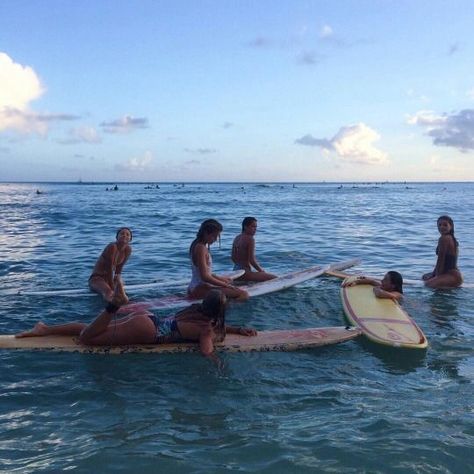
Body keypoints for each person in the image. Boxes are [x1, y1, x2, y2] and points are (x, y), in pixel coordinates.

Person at [16, 283, 257, 361]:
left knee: (94, 330)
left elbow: (213, 329)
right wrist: (218, 363)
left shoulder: (195, 311)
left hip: (148, 318)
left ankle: (45, 329)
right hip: (147, 332)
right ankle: (113, 306)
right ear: (220, 312)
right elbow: (206, 350)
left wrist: (236, 330)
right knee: (87, 340)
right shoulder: (206, 329)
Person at [188, 219, 248, 301]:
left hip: (196, 287)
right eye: (214, 236)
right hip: (199, 289)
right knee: (243, 294)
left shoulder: (196, 244)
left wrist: (221, 279)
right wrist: (225, 285)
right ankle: (222, 310)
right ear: (206, 233)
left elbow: (205, 272)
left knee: (229, 282)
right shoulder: (201, 248)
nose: (215, 239)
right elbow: (204, 277)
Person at [88, 227, 132, 302]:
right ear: (117, 237)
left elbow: (119, 269)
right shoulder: (112, 247)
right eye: (122, 234)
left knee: (120, 288)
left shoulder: (128, 249)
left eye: (127, 234)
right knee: (109, 292)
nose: (125, 235)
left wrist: (118, 282)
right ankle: (115, 306)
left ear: (130, 239)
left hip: (110, 279)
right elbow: (109, 269)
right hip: (97, 278)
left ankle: (126, 303)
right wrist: (112, 287)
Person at [231, 217, 277, 282]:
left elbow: (233, 258)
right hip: (245, 273)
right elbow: (251, 260)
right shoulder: (250, 239)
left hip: (235, 271)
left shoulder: (237, 237)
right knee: (275, 278)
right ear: (245, 227)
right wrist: (261, 271)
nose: (255, 229)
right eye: (253, 227)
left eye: (256, 227)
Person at [422, 215, 463, 288]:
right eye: (439, 225)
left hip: (451, 277)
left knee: (427, 285)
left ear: (451, 226)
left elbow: (441, 260)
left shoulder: (444, 239)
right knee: (424, 277)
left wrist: (437, 276)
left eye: (445, 225)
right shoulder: (452, 238)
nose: (442, 227)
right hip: (455, 275)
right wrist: (433, 274)